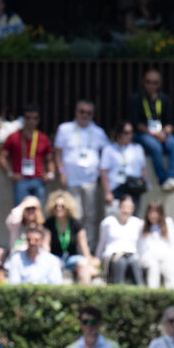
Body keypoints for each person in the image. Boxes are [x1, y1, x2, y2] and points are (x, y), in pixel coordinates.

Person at [54, 100, 109, 243]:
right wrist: (61, 171)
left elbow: (106, 154)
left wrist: (101, 175)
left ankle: (88, 247)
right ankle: (74, 245)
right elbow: (58, 152)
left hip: (91, 180)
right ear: (76, 112)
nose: (85, 115)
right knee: (74, 214)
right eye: (82, 112)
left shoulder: (98, 132)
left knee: (90, 215)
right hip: (71, 179)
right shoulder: (65, 129)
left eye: (89, 113)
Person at [128, 68, 174, 192]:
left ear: (159, 84)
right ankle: (162, 180)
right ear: (143, 82)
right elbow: (136, 124)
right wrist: (153, 134)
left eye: (154, 82)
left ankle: (171, 178)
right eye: (148, 82)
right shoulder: (136, 98)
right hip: (143, 134)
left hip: (160, 133)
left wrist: (164, 133)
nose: (151, 85)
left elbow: (169, 123)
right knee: (155, 146)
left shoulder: (164, 99)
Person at [0, 104, 55, 205]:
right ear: (23, 119)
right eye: (28, 118)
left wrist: (50, 174)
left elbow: (49, 159)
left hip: (38, 179)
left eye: (35, 118)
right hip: (21, 179)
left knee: (37, 212)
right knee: (20, 211)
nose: (31, 121)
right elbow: (2, 157)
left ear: (38, 120)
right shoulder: (13, 137)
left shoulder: (43, 138)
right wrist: (10, 174)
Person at [44, 190, 97, 284]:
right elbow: (46, 246)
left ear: (68, 207)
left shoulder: (75, 223)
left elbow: (83, 246)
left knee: (83, 263)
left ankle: (86, 293)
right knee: (54, 263)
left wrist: (89, 264)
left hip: (72, 258)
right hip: (55, 257)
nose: (59, 209)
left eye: (62, 206)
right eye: (56, 206)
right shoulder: (49, 224)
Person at [94, 195, 144, 285]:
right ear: (119, 207)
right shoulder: (108, 222)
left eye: (129, 208)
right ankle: (117, 290)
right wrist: (97, 258)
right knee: (121, 262)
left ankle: (141, 292)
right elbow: (101, 243)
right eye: (124, 207)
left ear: (133, 209)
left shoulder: (138, 223)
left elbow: (140, 244)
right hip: (113, 256)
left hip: (131, 255)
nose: (126, 210)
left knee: (134, 262)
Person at [100, 121, 147, 213]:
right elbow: (104, 172)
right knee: (115, 217)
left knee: (133, 218)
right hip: (117, 187)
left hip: (134, 187)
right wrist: (107, 192)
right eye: (126, 132)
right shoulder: (109, 149)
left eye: (131, 132)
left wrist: (143, 183)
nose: (129, 135)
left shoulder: (137, 148)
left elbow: (143, 169)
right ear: (119, 133)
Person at [138, 201, 174, 289]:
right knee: (153, 268)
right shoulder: (142, 225)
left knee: (170, 269)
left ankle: (173, 296)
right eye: (151, 212)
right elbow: (141, 247)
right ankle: (154, 295)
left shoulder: (168, 223)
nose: (153, 215)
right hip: (149, 257)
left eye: (156, 212)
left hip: (165, 256)